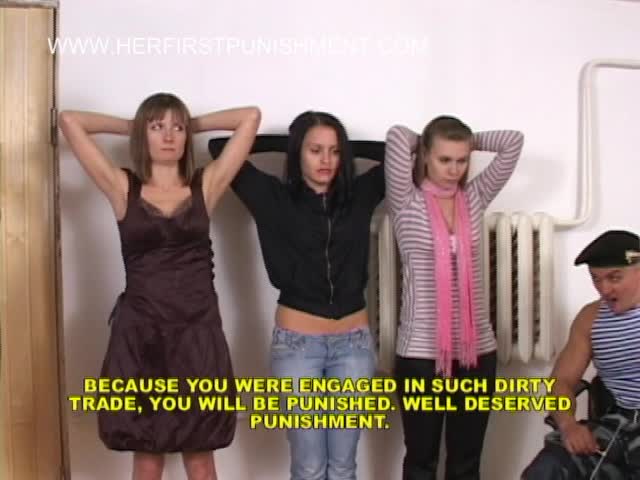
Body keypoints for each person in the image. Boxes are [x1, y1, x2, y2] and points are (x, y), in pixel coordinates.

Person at [59, 93, 261, 480]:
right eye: (157, 127)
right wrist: (134, 125)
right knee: (148, 463)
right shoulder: (123, 188)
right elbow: (69, 121)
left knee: (201, 464)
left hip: (198, 336)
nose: (169, 136)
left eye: (177, 128)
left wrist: (191, 122)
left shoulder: (206, 186)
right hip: (141, 338)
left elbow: (249, 117)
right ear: (143, 135)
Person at [208, 110, 385, 480]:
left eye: (334, 151)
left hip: (353, 345)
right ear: (297, 153)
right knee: (309, 467)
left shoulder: (360, 195)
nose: (326, 160)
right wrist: (289, 143)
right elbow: (220, 147)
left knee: (343, 466)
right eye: (314, 150)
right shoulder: (271, 197)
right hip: (297, 347)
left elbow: (403, 154)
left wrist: (345, 147)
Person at [384, 116, 524, 480]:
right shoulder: (405, 200)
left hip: (477, 351)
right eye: (444, 159)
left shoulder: (474, 197)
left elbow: (512, 140)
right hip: (420, 352)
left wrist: (467, 140)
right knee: (422, 459)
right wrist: (427, 138)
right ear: (425, 156)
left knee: (466, 460)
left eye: (462, 160)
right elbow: (397, 136)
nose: (454, 169)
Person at [522, 230, 640, 479]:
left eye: (615, 278)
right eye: (596, 279)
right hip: (619, 424)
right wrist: (569, 426)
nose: (604, 289)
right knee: (547, 469)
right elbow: (561, 381)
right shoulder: (590, 319)